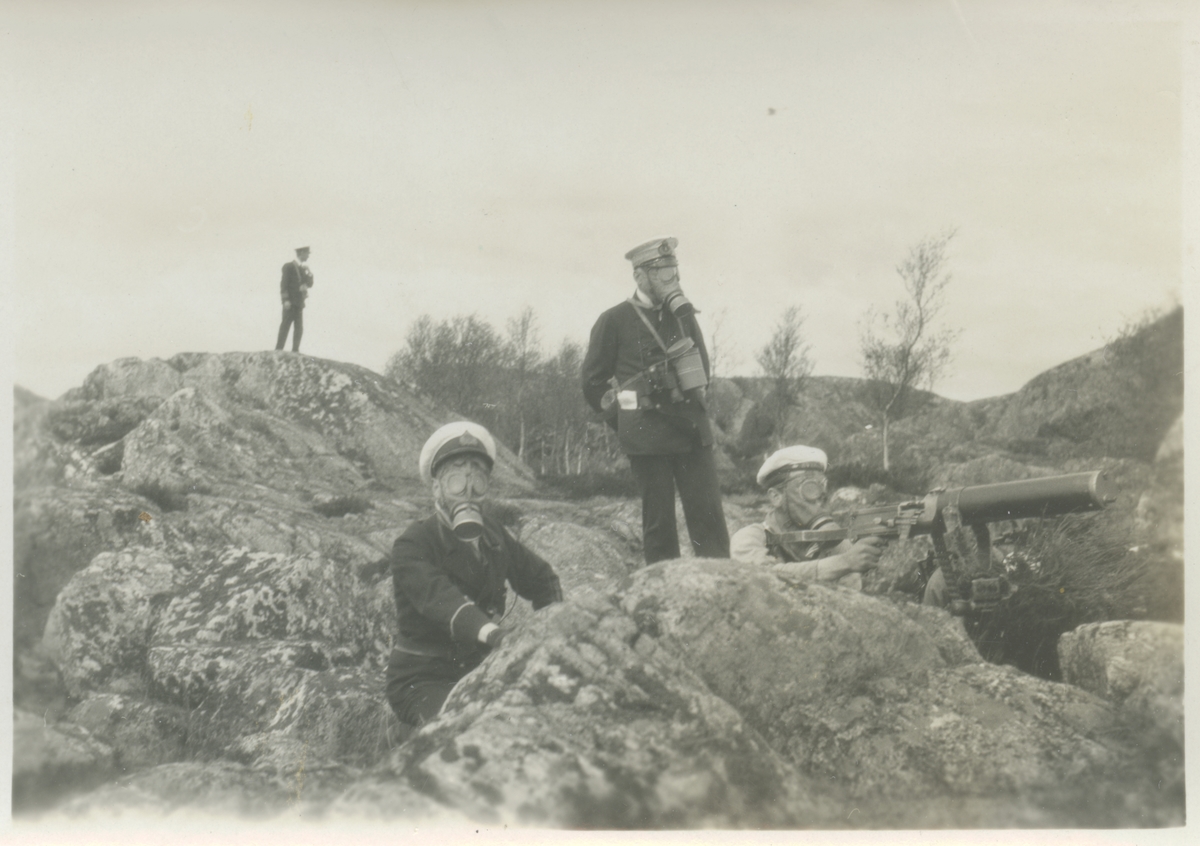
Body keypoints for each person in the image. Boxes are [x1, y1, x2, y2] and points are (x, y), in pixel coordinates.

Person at [386, 421, 563, 727]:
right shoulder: (413, 543)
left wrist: (555, 629)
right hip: (424, 677)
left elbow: (542, 579)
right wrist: (494, 635)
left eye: (478, 480)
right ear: (437, 488)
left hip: (480, 665)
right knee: (460, 730)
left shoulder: (494, 533)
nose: (468, 491)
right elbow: (442, 600)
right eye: (456, 479)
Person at [582, 237, 729, 564]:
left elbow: (701, 367)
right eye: (661, 272)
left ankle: (720, 588)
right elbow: (592, 382)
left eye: (672, 271)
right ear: (639, 276)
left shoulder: (683, 315)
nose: (670, 279)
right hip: (646, 436)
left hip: (691, 429)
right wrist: (624, 422)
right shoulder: (614, 320)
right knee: (659, 526)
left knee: (709, 519)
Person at [730, 445, 883, 589]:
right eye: (809, 488)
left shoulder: (837, 545)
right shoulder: (748, 538)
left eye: (822, 487)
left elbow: (851, 599)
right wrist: (843, 563)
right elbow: (764, 576)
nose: (819, 499)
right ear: (776, 497)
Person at [275, 246, 314, 352]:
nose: (308, 256)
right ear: (301, 253)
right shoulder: (289, 266)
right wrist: (285, 300)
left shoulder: (303, 269)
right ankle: (279, 349)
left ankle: (295, 350)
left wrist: (309, 272)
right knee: (285, 326)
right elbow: (284, 285)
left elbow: (310, 284)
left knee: (299, 328)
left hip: (299, 303)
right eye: (307, 253)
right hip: (290, 303)